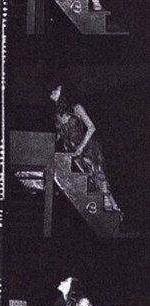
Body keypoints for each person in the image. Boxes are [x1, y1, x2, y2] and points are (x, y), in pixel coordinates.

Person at [50, 83, 121, 213]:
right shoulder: (56, 115)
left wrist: (81, 147)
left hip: (87, 146)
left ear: (63, 94)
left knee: (98, 174)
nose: (53, 91)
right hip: (72, 151)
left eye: (56, 90)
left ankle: (112, 204)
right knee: (89, 179)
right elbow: (60, 134)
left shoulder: (76, 108)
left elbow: (91, 127)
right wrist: (50, 144)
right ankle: (109, 206)